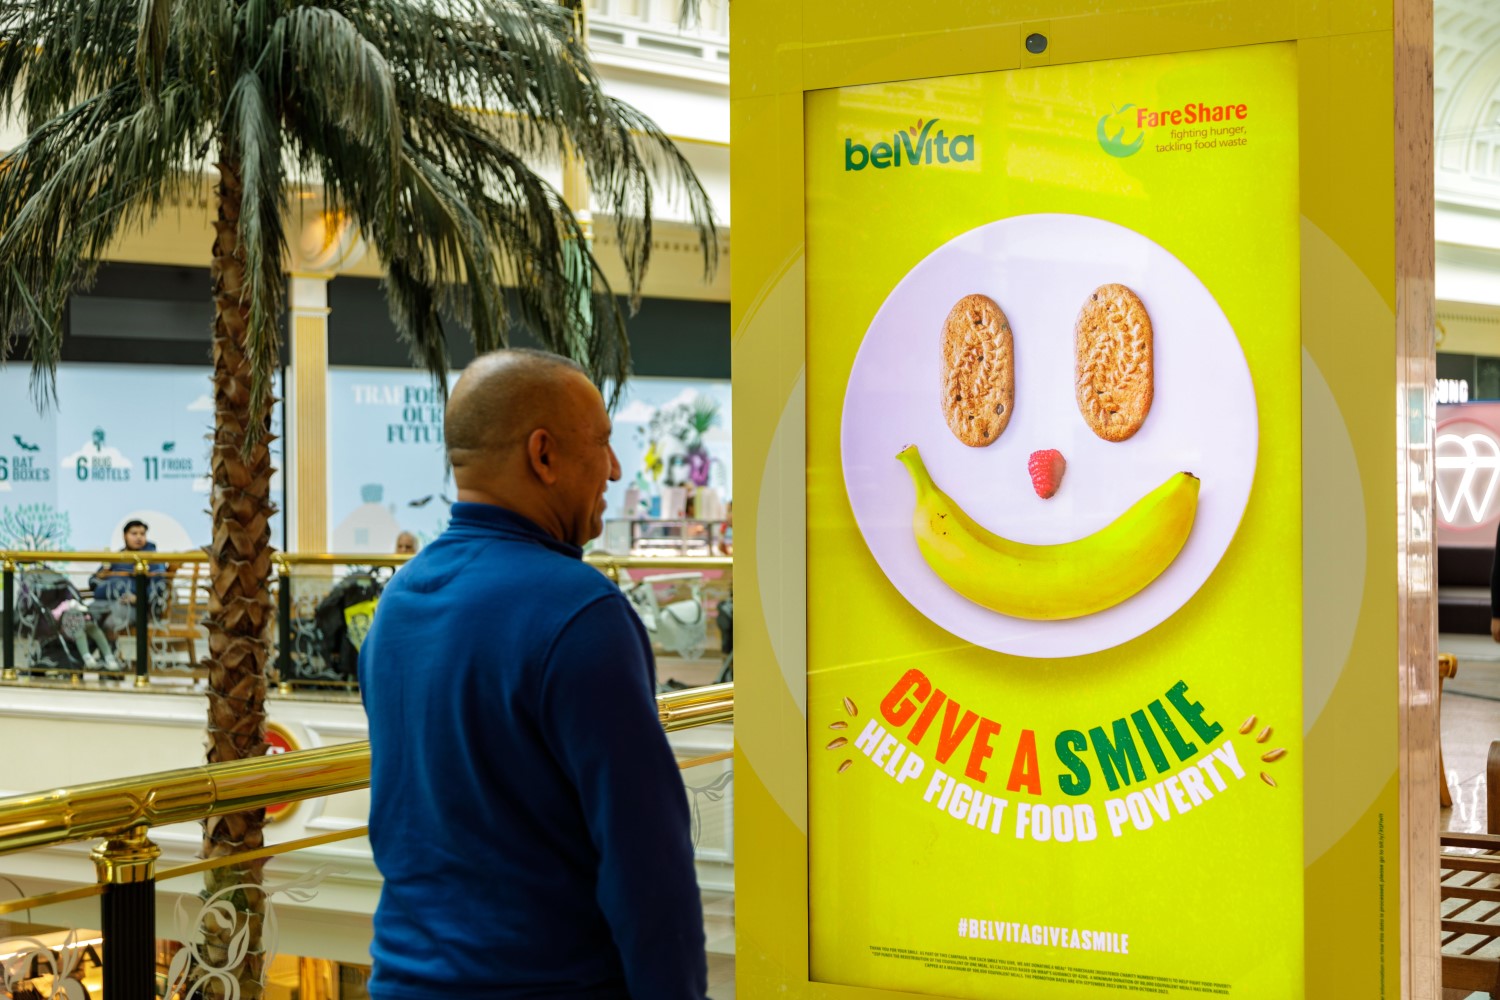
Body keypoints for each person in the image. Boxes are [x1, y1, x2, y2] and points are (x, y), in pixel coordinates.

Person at [359, 349, 707, 1000]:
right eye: (601, 442)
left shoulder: (399, 604)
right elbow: (646, 864)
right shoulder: (580, 612)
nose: (613, 467)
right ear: (543, 455)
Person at [88, 519, 166, 641]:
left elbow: (159, 586)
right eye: (134, 534)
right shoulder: (117, 557)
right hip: (104, 602)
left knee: (110, 623)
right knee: (86, 618)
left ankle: (110, 658)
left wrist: (139, 598)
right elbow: (92, 582)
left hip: (134, 607)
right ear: (125, 536)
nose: (139, 537)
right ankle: (83, 658)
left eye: (142, 534)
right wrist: (99, 577)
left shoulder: (153, 559)